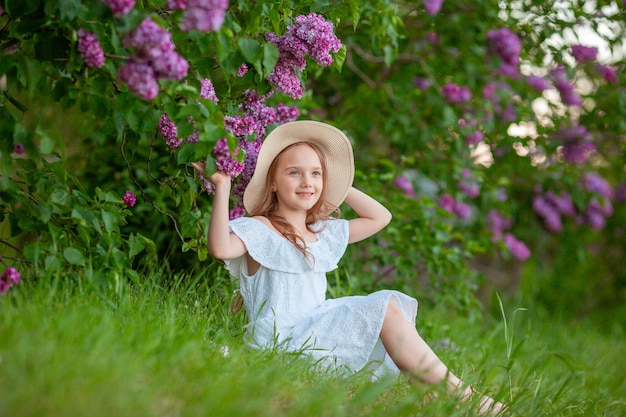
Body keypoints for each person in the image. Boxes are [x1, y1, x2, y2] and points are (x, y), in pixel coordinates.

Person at [192, 120, 505, 416]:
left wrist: (339, 183)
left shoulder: (320, 233)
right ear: (272, 182)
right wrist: (222, 187)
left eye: (316, 174)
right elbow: (220, 248)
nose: (307, 182)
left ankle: (435, 392)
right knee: (384, 308)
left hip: (316, 332)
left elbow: (380, 217)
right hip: (282, 342)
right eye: (294, 173)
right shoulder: (260, 229)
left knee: (387, 308)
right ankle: (465, 398)